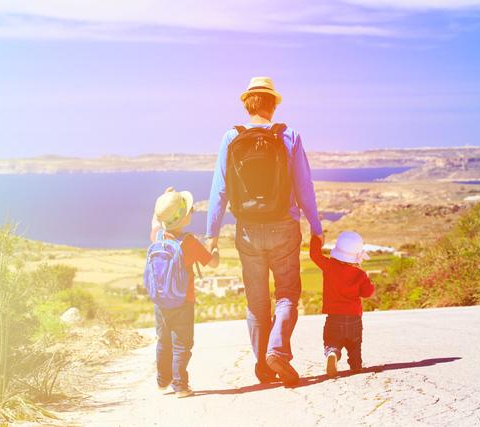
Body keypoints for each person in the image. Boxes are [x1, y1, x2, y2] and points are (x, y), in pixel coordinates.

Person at [206, 76, 323, 386]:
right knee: (287, 295)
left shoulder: (231, 137)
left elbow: (219, 190)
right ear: (273, 104)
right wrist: (316, 227)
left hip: (246, 230)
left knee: (256, 303)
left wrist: (212, 235)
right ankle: (277, 352)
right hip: (283, 227)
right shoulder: (290, 136)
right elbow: (304, 188)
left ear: (248, 104)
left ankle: (263, 365)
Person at [147, 187, 219, 397]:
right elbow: (213, 264)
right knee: (182, 343)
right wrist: (215, 249)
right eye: (190, 210)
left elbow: (155, 222)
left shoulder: (158, 236)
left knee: (163, 340)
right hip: (183, 301)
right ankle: (180, 386)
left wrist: (163, 199)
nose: (193, 211)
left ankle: (162, 381)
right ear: (183, 219)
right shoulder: (189, 242)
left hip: (160, 300)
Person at [309, 231, 375, 377]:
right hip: (354, 320)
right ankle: (356, 364)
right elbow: (368, 292)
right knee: (355, 346)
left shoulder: (329, 266)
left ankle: (332, 353)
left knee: (332, 342)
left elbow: (314, 255)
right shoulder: (359, 274)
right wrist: (367, 278)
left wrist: (317, 239)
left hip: (334, 319)